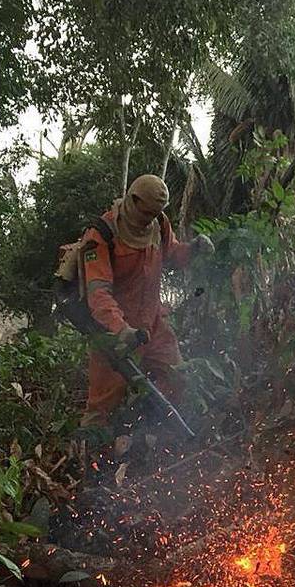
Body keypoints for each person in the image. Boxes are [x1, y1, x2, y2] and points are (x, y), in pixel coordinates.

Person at [81, 174, 212, 427]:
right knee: (102, 405)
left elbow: (172, 253)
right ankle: (89, 445)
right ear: (132, 200)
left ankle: (152, 432)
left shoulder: (159, 224)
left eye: (154, 214)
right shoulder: (102, 235)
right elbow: (98, 293)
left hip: (153, 325)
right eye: (145, 213)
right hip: (113, 333)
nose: (148, 219)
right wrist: (121, 330)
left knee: (177, 377)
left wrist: (193, 248)